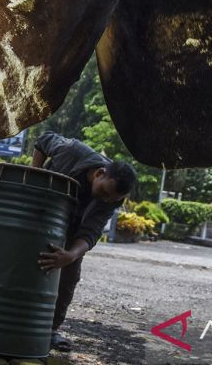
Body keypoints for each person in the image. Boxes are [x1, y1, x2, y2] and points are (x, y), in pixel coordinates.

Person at [32, 131, 137, 352]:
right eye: (104, 192)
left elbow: (91, 232)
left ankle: (49, 330)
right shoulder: (73, 151)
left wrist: (70, 255)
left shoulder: (111, 200)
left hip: (72, 227)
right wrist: (36, 176)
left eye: (112, 199)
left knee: (69, 276)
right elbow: (43, 140)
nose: (106, 199)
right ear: (100, 173)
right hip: (40, 213)